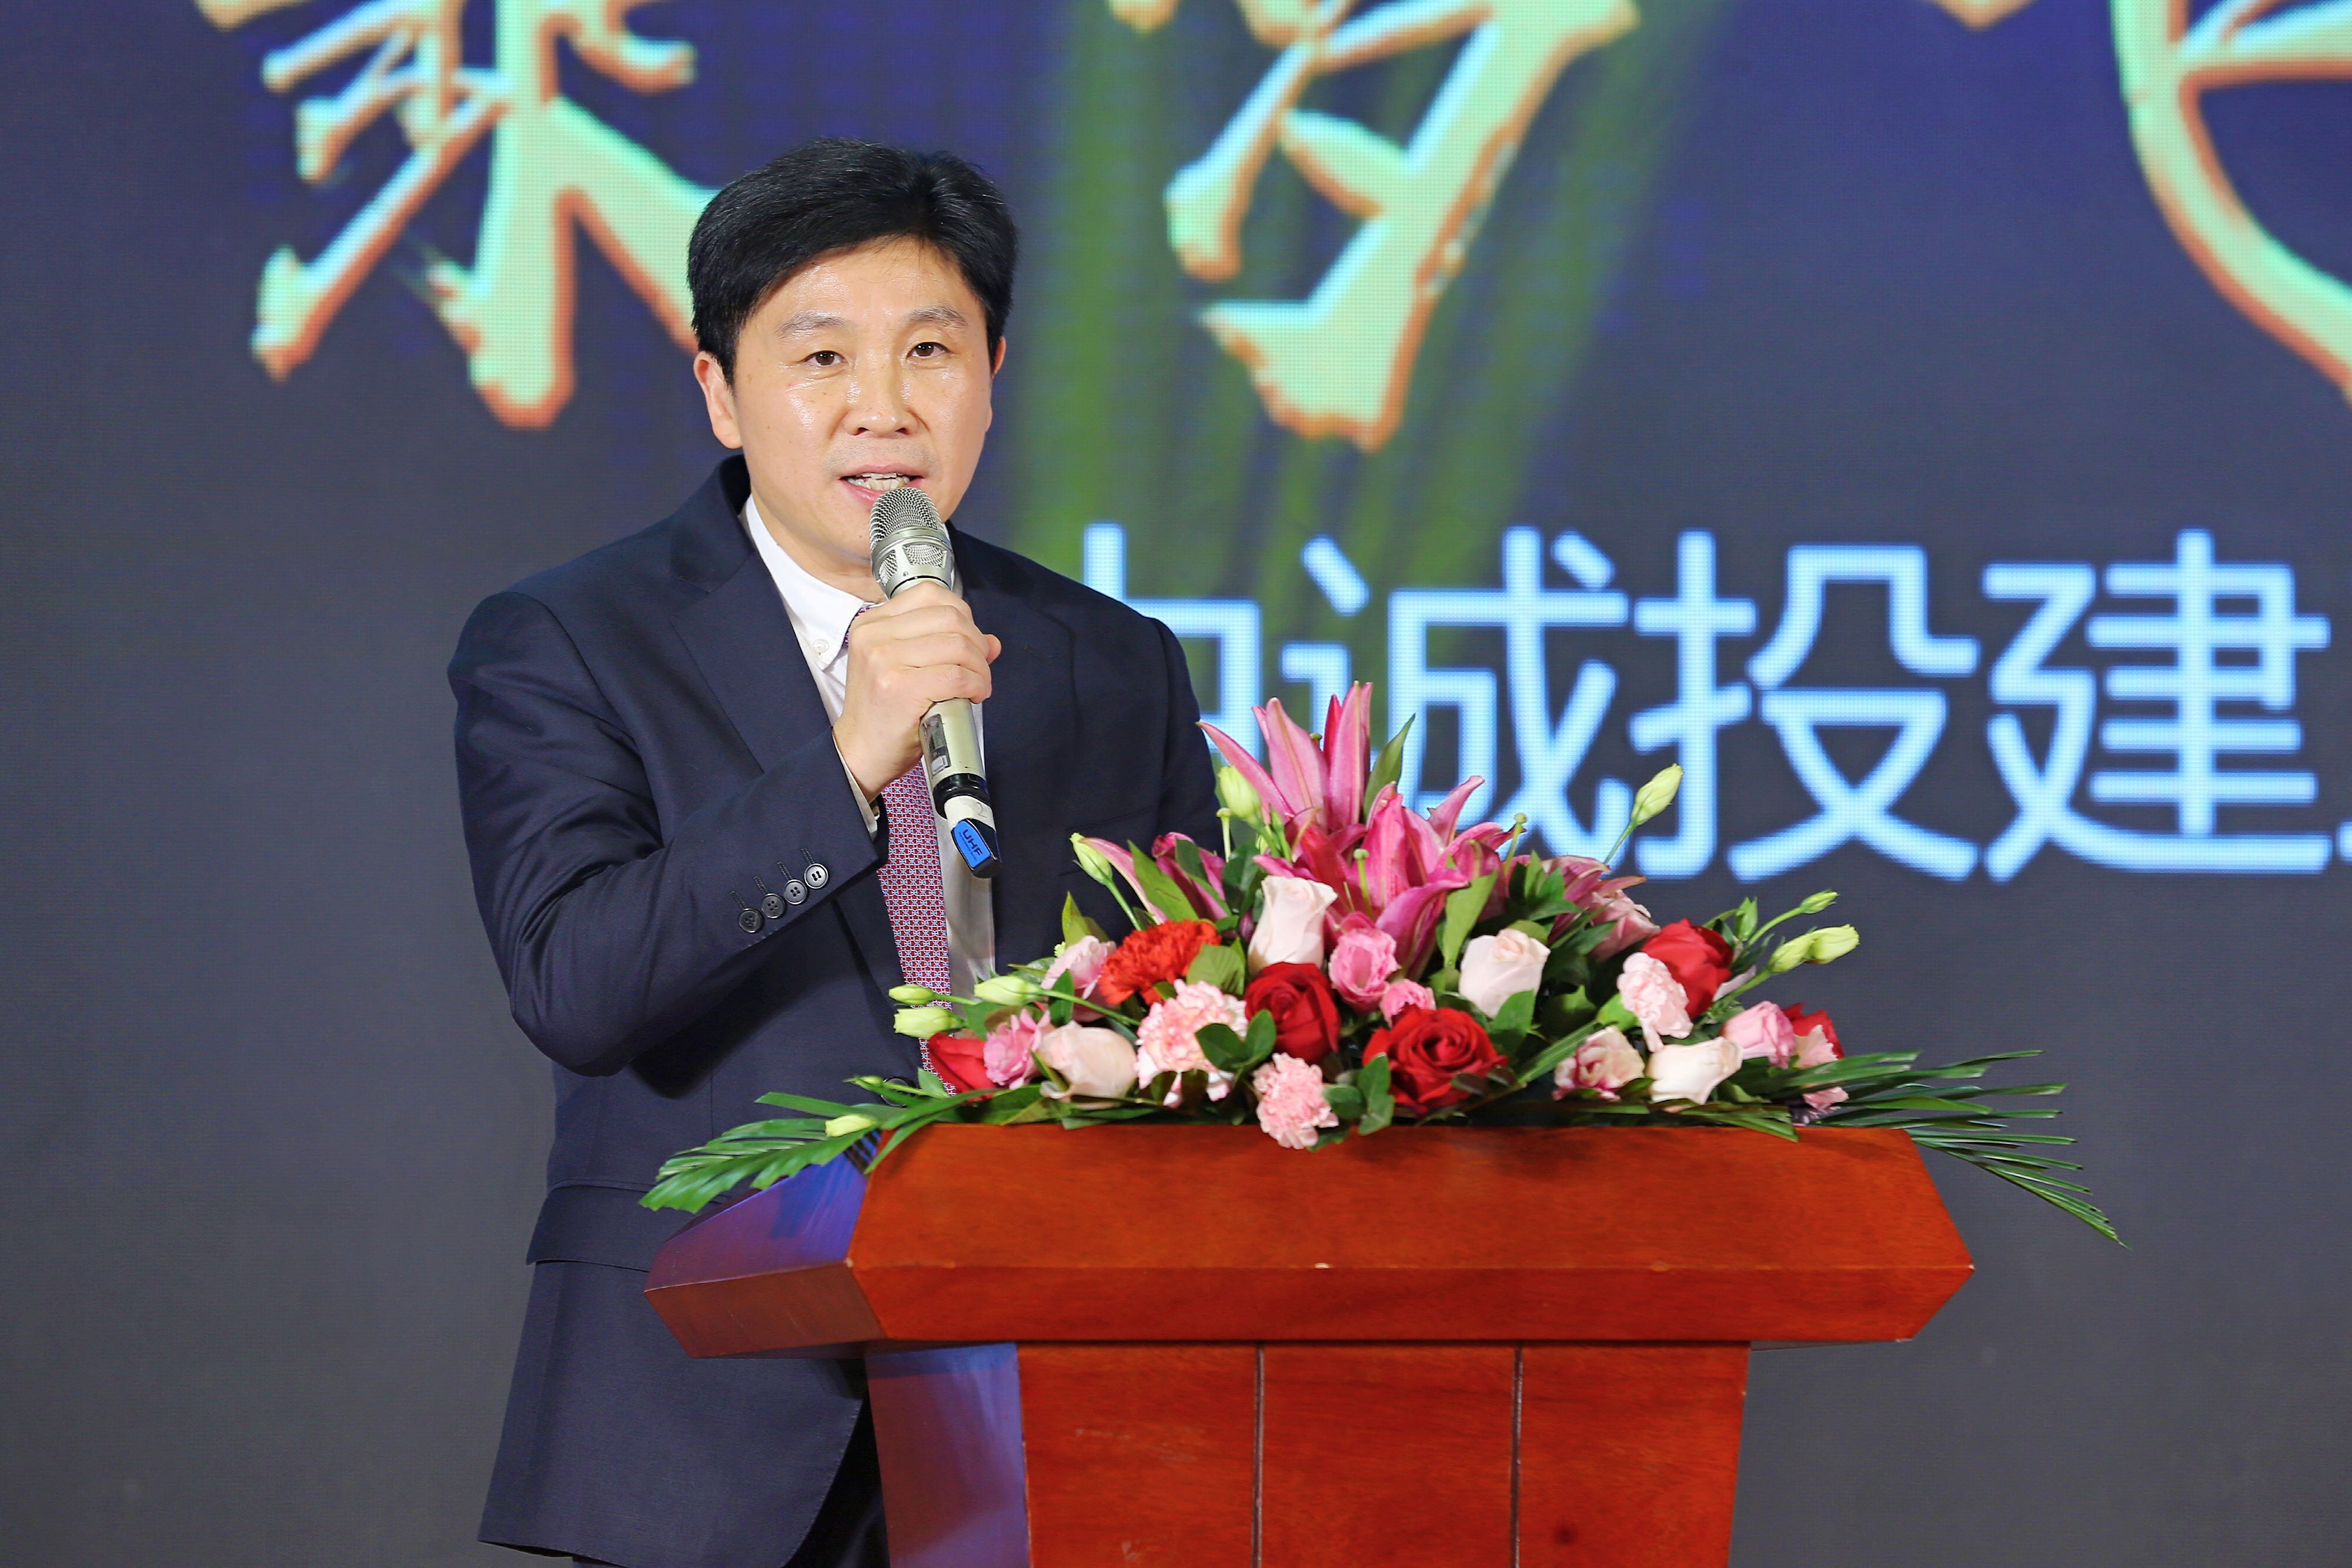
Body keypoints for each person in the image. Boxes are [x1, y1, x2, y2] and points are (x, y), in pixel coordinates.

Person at [449, 139, 1218, 1568]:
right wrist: (846, 763)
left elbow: (1188, 1003)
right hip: (706, 1413)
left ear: (992, 370)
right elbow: (576, 981)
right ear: (719, 390)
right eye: (820, 357)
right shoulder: (570, 638)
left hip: (1046, 1409)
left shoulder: (1111, 659)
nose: (883, 405)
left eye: (929, 349)